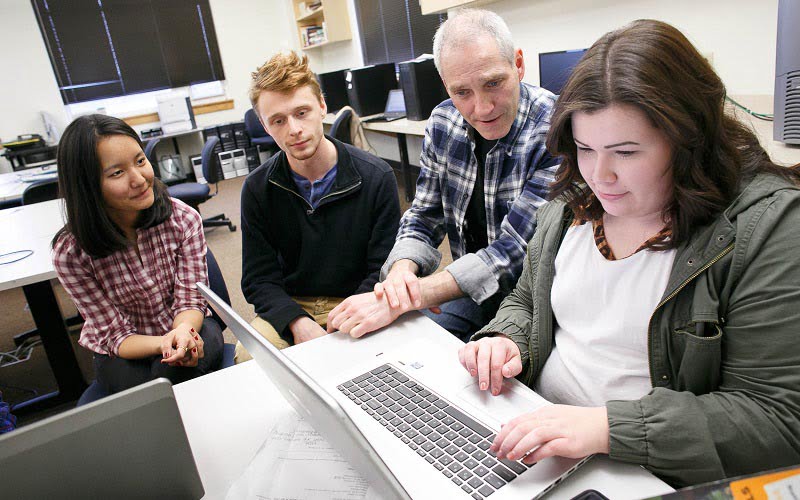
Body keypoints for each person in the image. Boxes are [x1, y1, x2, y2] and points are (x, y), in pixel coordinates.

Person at [458, 19, 800, 487]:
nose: (601, 176)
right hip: (537, 437)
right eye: (584, 148)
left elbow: (775, 420)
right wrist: (507, 340)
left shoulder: (764, 228)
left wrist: (607, 428)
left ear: (688, 142)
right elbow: (526, 300)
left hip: (642, 471)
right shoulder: (571, 203)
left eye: (626, 152)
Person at [328, 9, 559, 341]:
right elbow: (424, 215)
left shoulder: (554, 130)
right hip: (468, 290)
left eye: (493, 83)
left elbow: (515, 250)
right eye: (462, 92)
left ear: (518, 64)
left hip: (531, 300)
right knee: (398, 349)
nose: (481, 107)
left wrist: (419, 294)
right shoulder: (443, 122)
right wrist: (400, 272)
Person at [236, 51, 400, 360]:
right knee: (249, 357)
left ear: (322, 106)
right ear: (264, 125)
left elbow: (383, 268)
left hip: (359, 298)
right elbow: (259, 279)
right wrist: (296, 322)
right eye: (278, 121)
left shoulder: (376, 177)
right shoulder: (257, 189)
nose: (294, 129)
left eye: (302, 112)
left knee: (382, 356)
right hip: (292, 303)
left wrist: (347, 316)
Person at [52, 114, 223, 395]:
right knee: (156, 386)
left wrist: (180, 334)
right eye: (117, 173)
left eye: (140, 161)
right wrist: (162, 344)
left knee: (175, 367)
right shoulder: (71, 254)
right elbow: (114, 334)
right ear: (87, 186)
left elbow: (190, 300)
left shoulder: (182, 218)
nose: (139, 179)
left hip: (187, 325)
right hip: (123, 349)